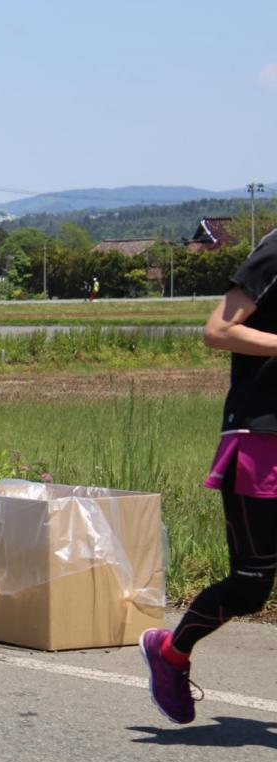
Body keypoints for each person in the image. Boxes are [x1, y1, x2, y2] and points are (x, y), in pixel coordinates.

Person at [140, 229, 277, 724]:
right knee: (250, 586)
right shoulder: (276, 249)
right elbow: (218, 330)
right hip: (261, 436)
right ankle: (171, 652)